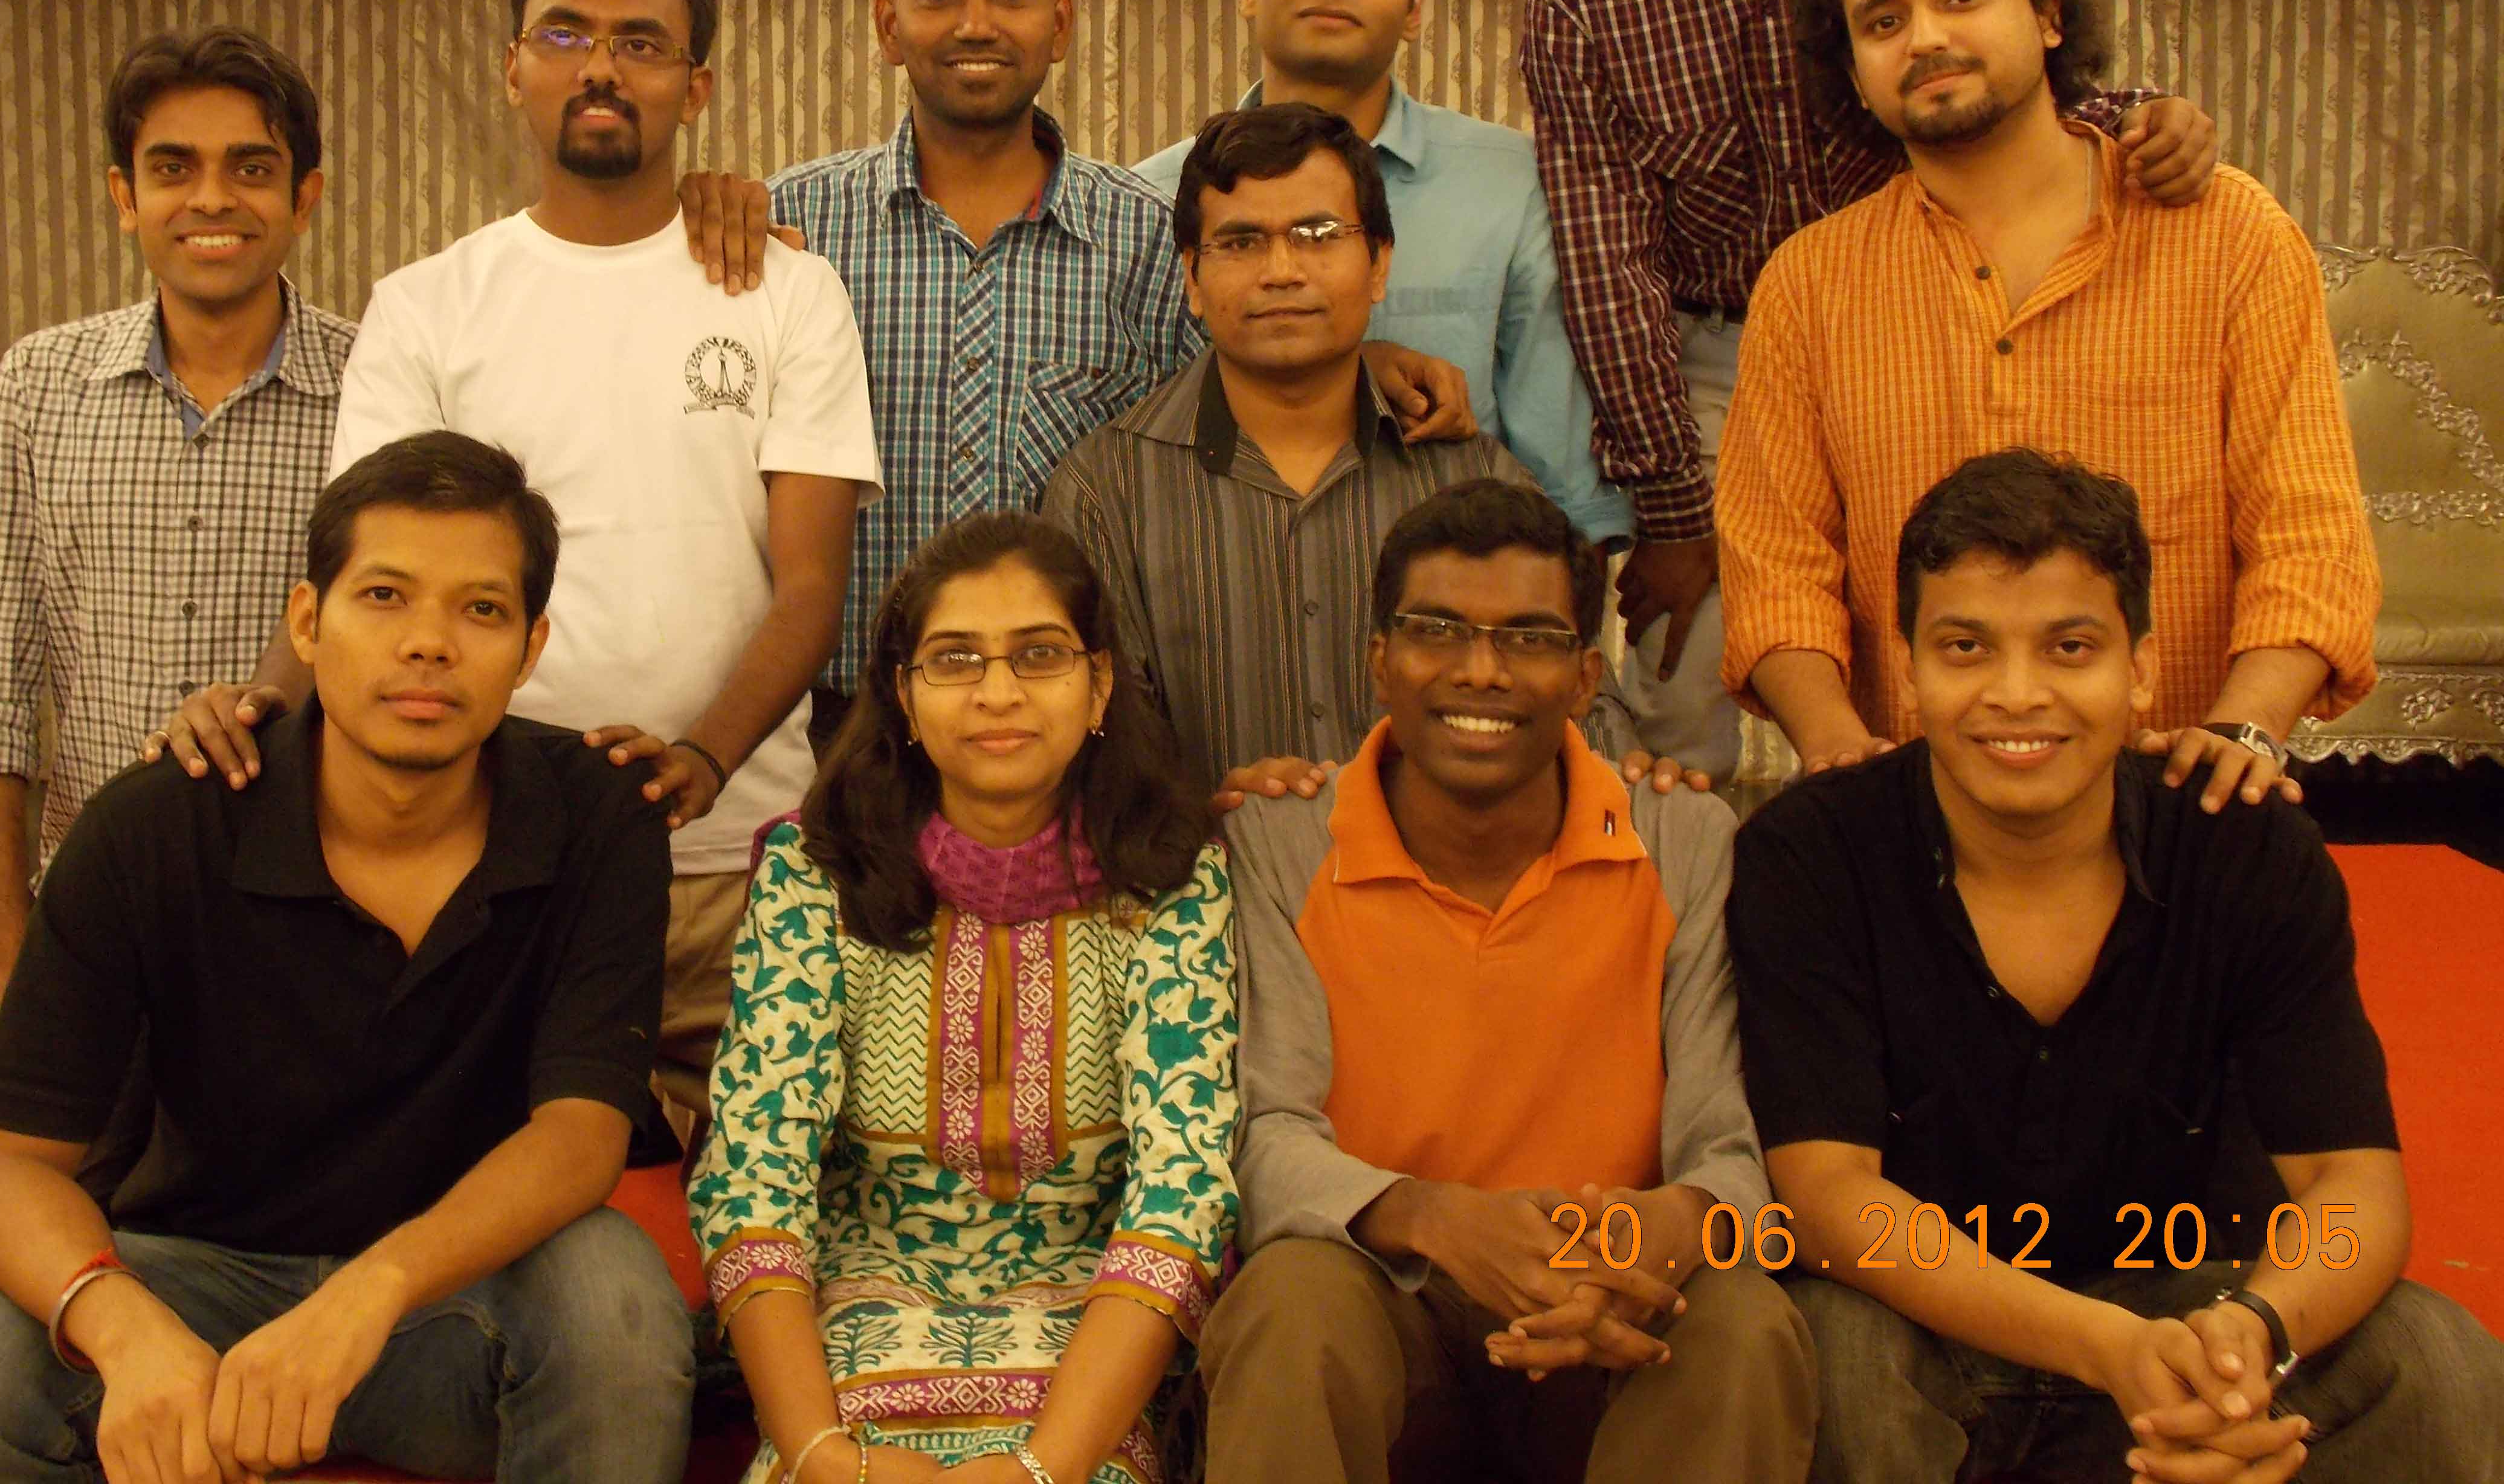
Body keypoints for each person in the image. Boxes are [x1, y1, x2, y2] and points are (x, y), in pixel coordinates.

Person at [150, 0, 882, 1117]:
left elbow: (809, 585)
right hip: (489, 862)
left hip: (734, 868)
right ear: (512, 69)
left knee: (764, 1192)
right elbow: (374, 574)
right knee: (505, 1188)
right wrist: (263, 705)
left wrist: (702, 759)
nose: (601, 67)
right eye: (566, 35)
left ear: (696, 87)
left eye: (641, 43)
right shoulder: (428, 306)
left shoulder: (788, 292)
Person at [0, 432, 695, 1484]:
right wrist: (126, 1332)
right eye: (385, 597)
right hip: (193, 1291)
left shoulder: (598, 814)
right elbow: (3, 1169)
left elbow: (582, 1139)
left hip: (456, 1299)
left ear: (531, 646)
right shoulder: (154, 826)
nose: (429, 644)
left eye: (481, 610)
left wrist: (371, 1292)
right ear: (307, 622)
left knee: (615, 1309)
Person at [1519, 0, 2219, 789]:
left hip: (1920, 312)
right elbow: (1608, 264)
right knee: (1684, 663)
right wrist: (1676, 513)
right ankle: (1695, 877)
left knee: (1979, 590)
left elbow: (2006, 84)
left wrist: (2147, 119)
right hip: (1709, 353)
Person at [1729, 450, 2504, 1483]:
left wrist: (2252, 1337)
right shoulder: (1812, 852)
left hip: (2190, 1316)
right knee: (1825, 1354)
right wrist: (2105, 1348)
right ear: (1908, 669)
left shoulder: (2243, 847)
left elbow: (2350, 1183)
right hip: (1925, 1325)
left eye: (2069, 648)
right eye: (1965, 647)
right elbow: (1828, 1195)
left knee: (2437, 1361)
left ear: (2139, 670)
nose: (2017, 694)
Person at [674, 0, 1473, 734]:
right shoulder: (788, 227)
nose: (976, 23)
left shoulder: (1152, 239)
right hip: (840, 724)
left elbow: (1251, 404)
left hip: (1072, 727)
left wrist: (1359, 361)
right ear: (888, 26)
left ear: (1059, 25)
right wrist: (680, 208)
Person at [1203, 479, 1813, 1484]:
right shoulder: (1281, 841)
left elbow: (1728, 1148)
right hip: (1389, 1296)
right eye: (1436, 631)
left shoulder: (1679, 837)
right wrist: (1432, 1218)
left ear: (1584, 678)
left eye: (1529, 639)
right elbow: (1265, 1137)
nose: (1480, 671)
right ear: (1379, 661)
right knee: (1289, 1302)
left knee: (1742, 1322)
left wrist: (1668, 1229)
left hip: (1612, 1310)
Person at [1717, 0, 2378, 793]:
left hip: (2182, 792)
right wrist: (1837, 755)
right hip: (1914, 806)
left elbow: (2307, 529)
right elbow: (1775, 565)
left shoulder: (2229, 234)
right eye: (1883, 21)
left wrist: (2245, 732)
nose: (1927, 37)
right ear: (1856, 79)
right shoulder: (1808, 285)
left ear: (2050, 14)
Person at [691, 509, 1236, 1482]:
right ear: (903, 695)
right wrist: (822, 1454)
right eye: (955, 660)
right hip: (849, 1323)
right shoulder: (815, 875)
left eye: (1039, 655)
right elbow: (754, 1176)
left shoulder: (1172, 881)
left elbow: (1180, 1193)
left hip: (1099, 1339)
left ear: (1100, 684)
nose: (997, 693)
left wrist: (1042, 1468)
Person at [0, 26, 355, 1175]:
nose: (211, 199)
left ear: (305, 196)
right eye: (173, 168)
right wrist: (4, 963)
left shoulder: (378, 385)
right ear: (125, 197)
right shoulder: (40, 384)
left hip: (317, 920)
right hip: (93, 920)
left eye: (251, 167)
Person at [1133, 0, 1633, 553]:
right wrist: (1342, 367)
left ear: (1415, 7)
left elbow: (1557, 475)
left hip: (1461, 584)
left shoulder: (1511, 181)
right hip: (1221, 575)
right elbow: (1147, 419)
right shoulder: (1150, 196)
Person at [1041, 103, 1529, 796]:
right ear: (1192, 279)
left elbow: (1562, 709)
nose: (1281, 271)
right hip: (1202, 863)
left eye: (1318, 235)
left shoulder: (1476, 481)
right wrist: (1216, 819)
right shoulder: (1108, 490)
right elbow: (1096, 746)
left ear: (1379, 263)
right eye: (1241, 242)